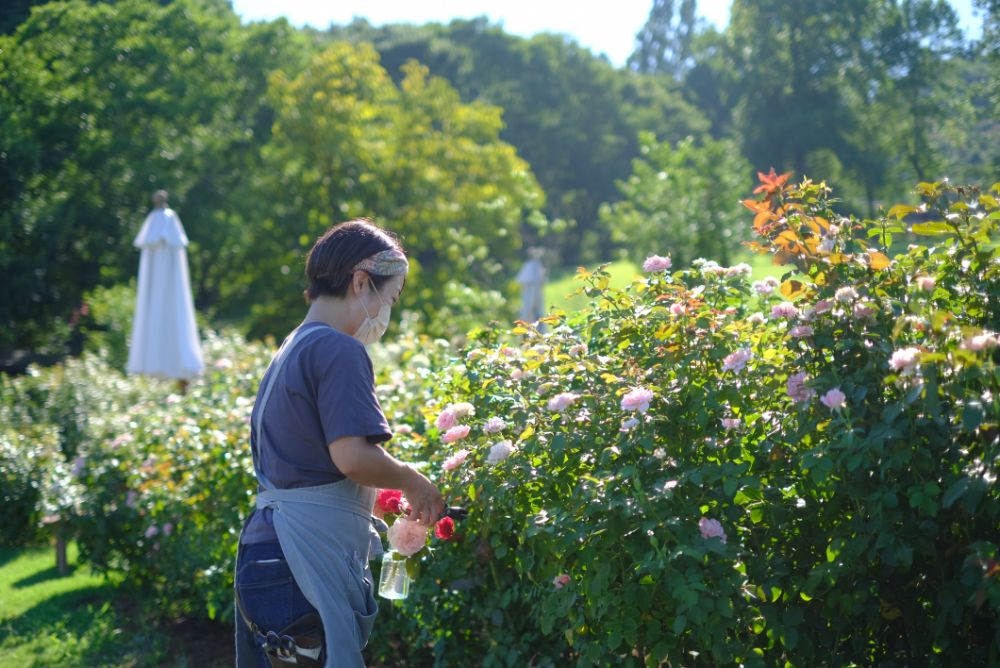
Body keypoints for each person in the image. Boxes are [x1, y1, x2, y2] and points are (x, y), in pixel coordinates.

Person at [234, 220, 445, 668]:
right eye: (390, 298)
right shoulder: (339, 349)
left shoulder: (292, 347)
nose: (388, 312)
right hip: (300, 563)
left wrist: (372, 499)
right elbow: (350, 456)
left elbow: (307, 464)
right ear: (361, 282)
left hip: (267, 554)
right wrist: (412, 480)